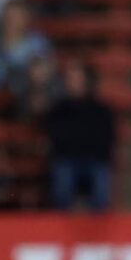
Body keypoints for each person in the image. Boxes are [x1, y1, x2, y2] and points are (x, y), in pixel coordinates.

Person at [43, 60, 114, 210]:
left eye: (78, 79)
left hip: (94, 161)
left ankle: (99, 229)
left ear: (87, 81)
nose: (74, 83)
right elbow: (54, 137)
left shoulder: (101, 110)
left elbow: (106, 140)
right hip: (67, 161)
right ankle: (60, 227)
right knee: (63, 180)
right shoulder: (58, 109)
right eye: (71, 79)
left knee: (101, 181)